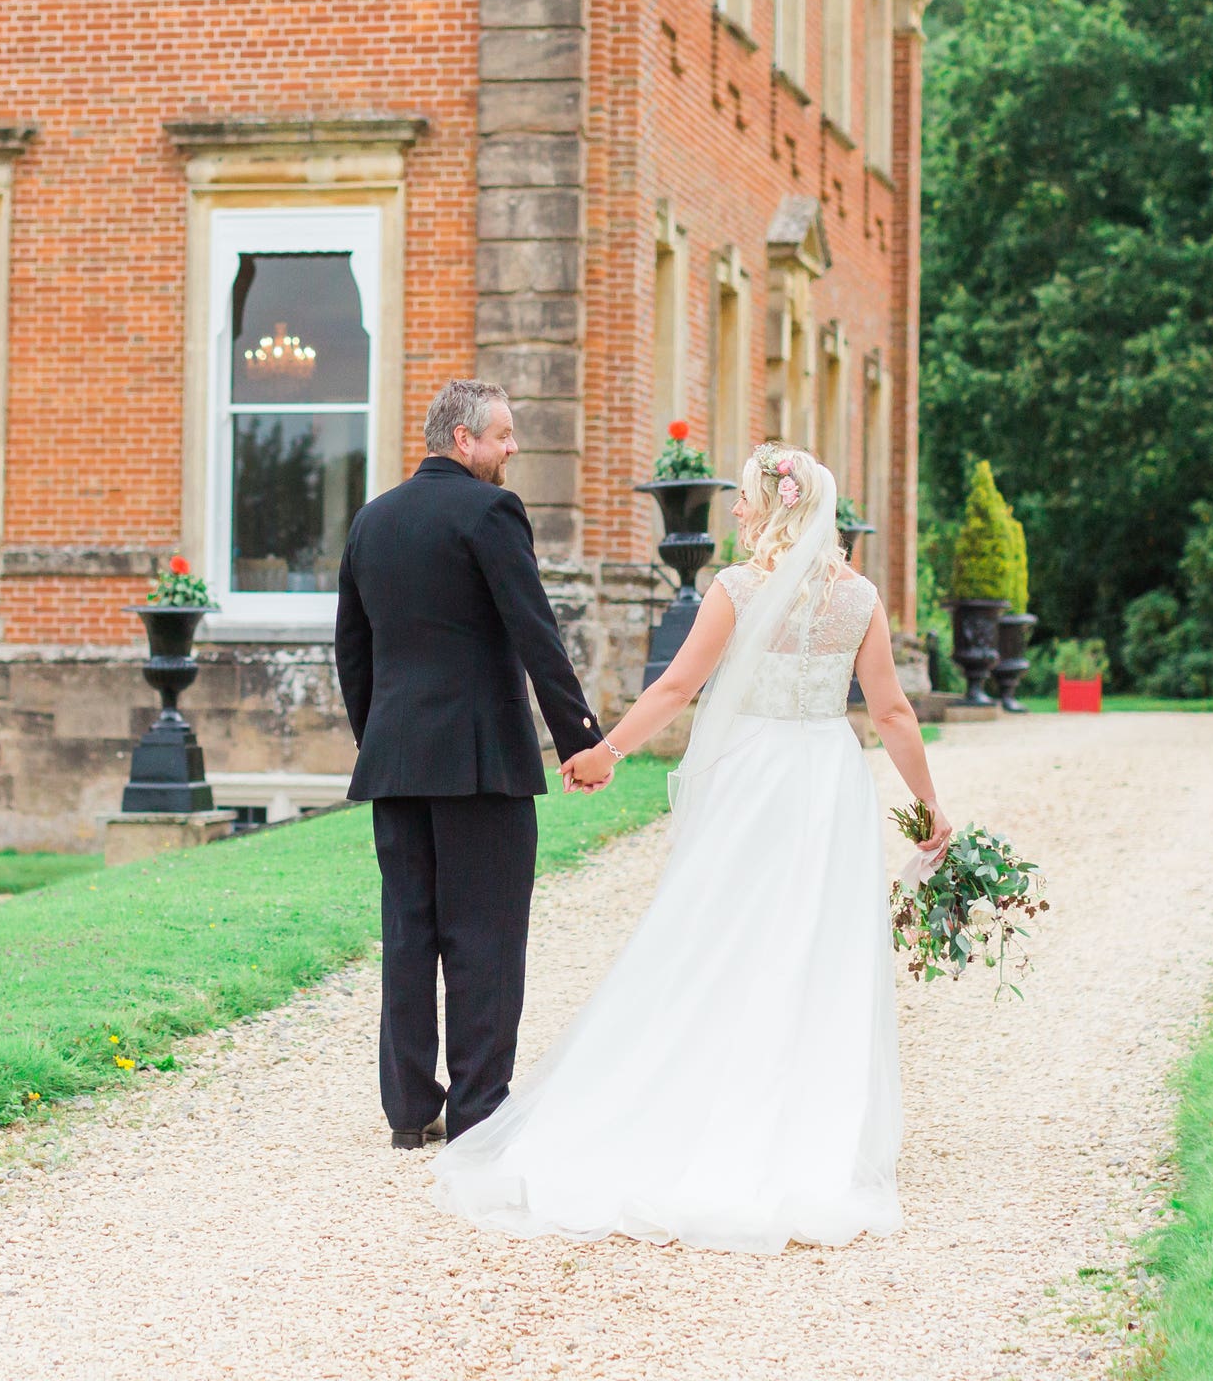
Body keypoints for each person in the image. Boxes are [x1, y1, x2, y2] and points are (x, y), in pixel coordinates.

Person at [428, 440, 955, 1252]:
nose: (735, 509)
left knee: (723, 933)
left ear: (772, 507)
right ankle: (807, 1121)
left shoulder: (737, 589)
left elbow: (678, 686)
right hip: (826, 777)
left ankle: (712, 1099)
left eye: (744, 497)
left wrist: (606, 751)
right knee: (817, 943)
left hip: (756, 776)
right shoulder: (859, 599)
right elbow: (891, 713)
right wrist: (929, 805)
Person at [336, 379, 609, 1150]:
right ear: (464, 439)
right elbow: (534, 631)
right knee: (484, 937)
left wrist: (381, 740)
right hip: (481, 763)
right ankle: (479, 1110)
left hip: (397, 763)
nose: (513, 447)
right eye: (503, 435)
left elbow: (352, 650)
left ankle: (407, 1111)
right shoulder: (491, 512)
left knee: (409, 933)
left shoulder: (371, 520)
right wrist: (580, 739)